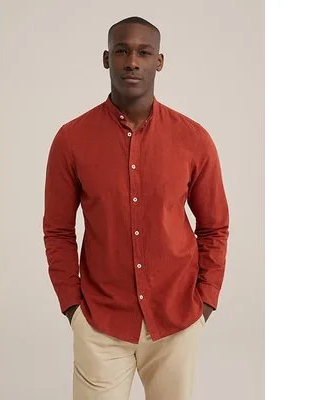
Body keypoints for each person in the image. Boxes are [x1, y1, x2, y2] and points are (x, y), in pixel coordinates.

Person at [43, 15, 229, 400]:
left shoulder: (194, 140)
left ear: (159, 61)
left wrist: (205, 301)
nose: (132, 62)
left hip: (177, 320)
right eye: (122, 51)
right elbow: (58, 230)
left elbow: (214, 227)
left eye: (144, 53)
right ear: (106, 58)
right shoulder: (71, 139)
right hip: (101, 323)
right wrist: (72, 307)